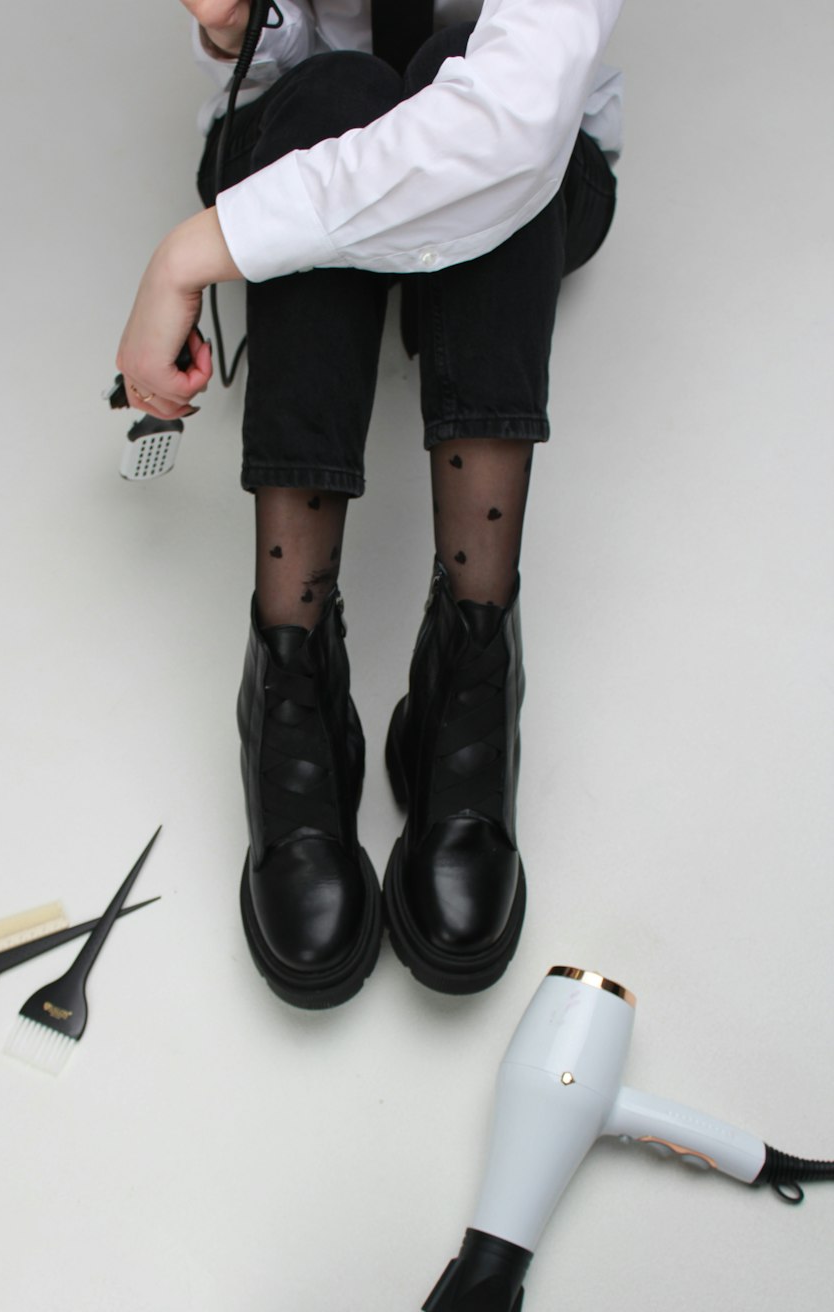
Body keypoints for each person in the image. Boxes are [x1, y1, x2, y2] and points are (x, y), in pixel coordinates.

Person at [117, 0, 623, 1009]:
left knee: (466, 85)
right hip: (310, 133)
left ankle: (470, 659)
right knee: (335, 89)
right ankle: (290, 672)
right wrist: (235, 31)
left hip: (537, 178)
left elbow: (507, 125)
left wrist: (183, 258)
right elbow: (294, 61)